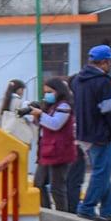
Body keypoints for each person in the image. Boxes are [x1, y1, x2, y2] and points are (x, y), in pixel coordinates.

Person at [70, 45, 111, 221]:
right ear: (104, 62)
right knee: (102, 172)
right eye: (109, 61)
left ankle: (108, 209)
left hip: (84, 133)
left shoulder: (78, 80)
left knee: (102, 171)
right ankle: (87, 208)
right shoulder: (104, 82)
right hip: (101, 134)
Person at [30, 76, 80, 212]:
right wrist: (36, 116)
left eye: (50, 91)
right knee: (38, 183)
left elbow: (55, 124)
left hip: (60, 151)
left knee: (57, 187)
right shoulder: (50, 106)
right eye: (45, 92)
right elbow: (44, 126)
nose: (47, 95)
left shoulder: (64, 106)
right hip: (47, 150)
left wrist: (40, 114)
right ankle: (46, 210)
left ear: (59, 91)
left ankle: (62, 215)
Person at [0, 78, 34, 147]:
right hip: (18, 134)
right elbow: (24, 117)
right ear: (19, 90)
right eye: (22, 90)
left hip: (6, 132)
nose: (23, 92)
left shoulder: (4, 101)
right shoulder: (19, 101)